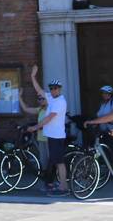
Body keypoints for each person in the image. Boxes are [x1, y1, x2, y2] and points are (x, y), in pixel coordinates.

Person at [28, 64, 69, 195]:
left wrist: (35, 127)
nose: (53, 90)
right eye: (51, 88)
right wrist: (33, 76)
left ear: (60, 89)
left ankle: (64, 187)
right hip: (51, 137)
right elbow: (39, 90)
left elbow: (49, 118)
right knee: (56, 162)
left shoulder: (60, 102)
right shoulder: (51, 98)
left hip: (57, 137)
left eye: (55, 88)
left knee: (60, 162)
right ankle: (56, 184)